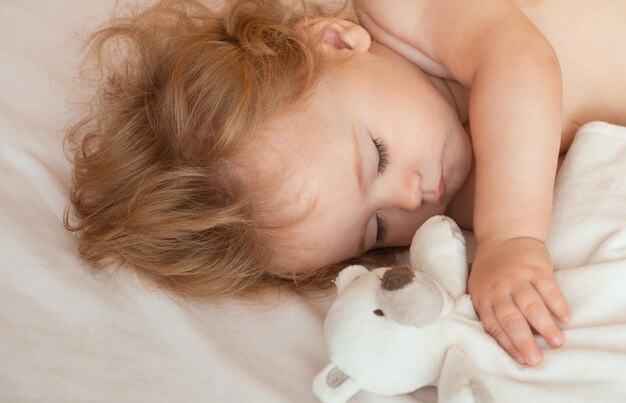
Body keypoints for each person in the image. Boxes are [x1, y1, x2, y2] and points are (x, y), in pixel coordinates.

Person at [64, 0, 626, 368]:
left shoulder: (403, 15)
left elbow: (520, 60)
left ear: (334, 41)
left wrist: (509, 238)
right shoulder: (448, 198)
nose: (412, 198)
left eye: (377, 156)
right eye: (377, 227)